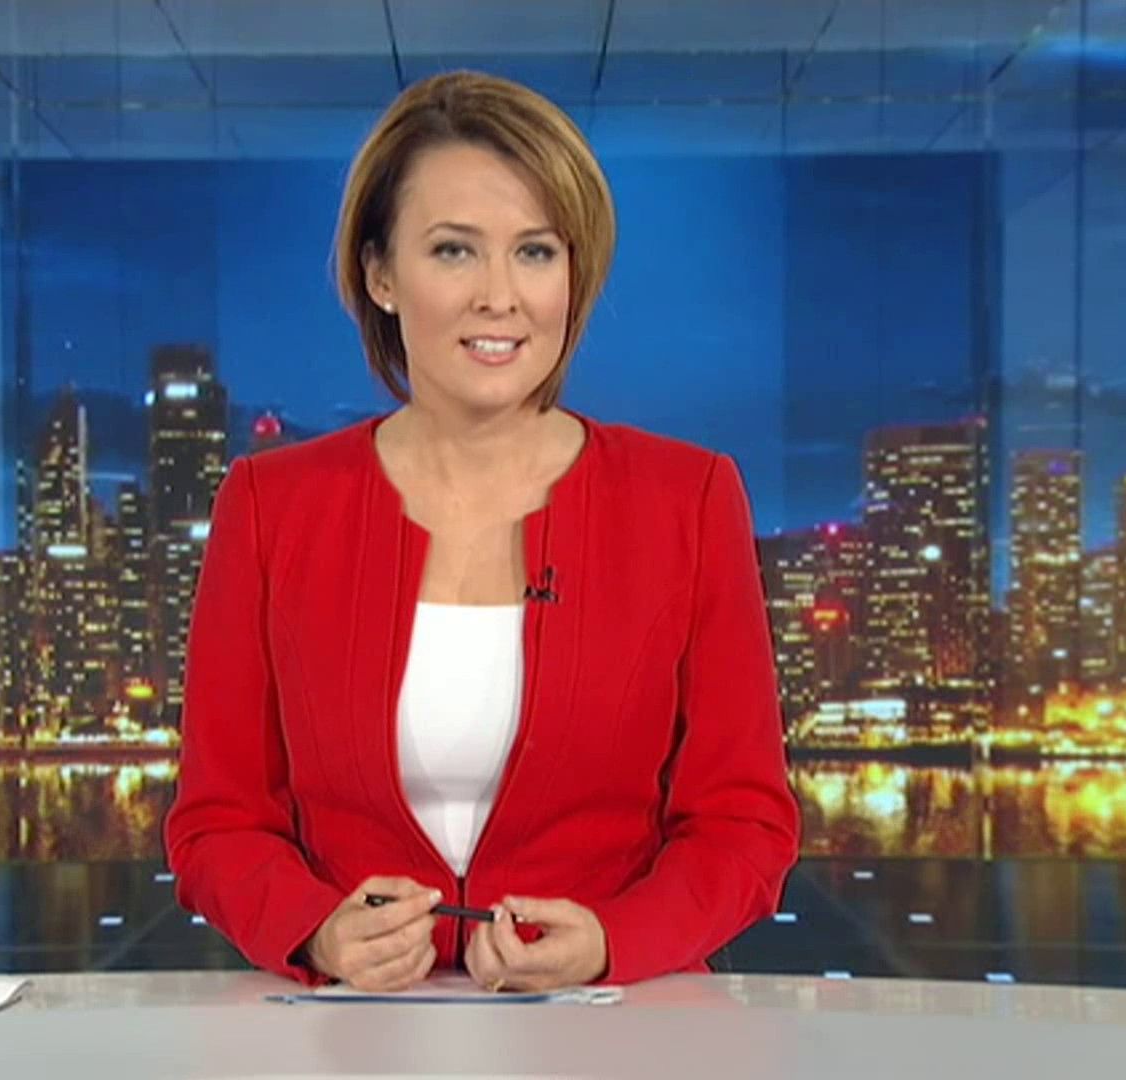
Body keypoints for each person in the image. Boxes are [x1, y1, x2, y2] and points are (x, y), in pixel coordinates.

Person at [162, 70, 799, 993]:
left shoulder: (688, 500)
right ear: (380, 274)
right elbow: (217, 822)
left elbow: (745, 825)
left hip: (613, 1028)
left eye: (535, 252)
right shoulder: (271, 506)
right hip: (351, 1033)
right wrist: (317, 933)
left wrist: (613, 939)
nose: (500, 296)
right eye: (455, 251)